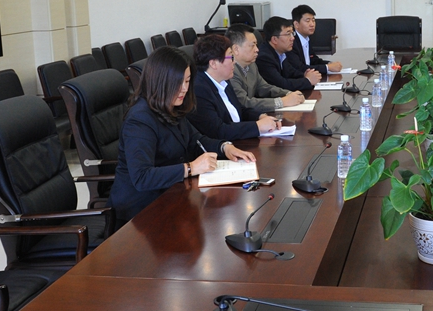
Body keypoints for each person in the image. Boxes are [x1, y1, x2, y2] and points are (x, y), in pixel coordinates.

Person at [108, 46, 255, 226]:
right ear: (162, 82)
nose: (185, 89)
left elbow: (195, 140)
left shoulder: (171, 106)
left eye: (187, 81)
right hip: (140, 212)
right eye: (179, 82)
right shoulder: (140, 120)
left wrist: (225, 147)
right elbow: (142, 177)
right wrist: (191, 168)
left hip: (171, 194)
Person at [187, 34, 282, 140]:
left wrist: (261, 117)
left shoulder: (224, 81)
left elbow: (239, 110)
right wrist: (257, 126)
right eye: (231, 57)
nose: (234, 62)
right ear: (213, 64)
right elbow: (218, 131)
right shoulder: (198, 90)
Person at [226, 24, 305, 111]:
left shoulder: (252, 65)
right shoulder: (229, 71)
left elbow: (264, 87)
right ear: (236, 49)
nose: (257, 49)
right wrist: (281, 102)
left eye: (256, 45)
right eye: (252, 45)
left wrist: (288, 93)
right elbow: (243, 102)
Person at [256, 16, 321, 90]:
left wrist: (304, 75)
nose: (292, 38)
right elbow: (281, 84)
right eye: (288, 34)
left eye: (292, 33)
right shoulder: (264, 58)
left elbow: (291, 72)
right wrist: (308, 81)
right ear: (274, 39)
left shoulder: (281, 53)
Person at [289, 4, 342, 75]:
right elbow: (300, 68)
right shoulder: (291, 42)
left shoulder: (306, 38)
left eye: (313, 20)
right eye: (308, 21)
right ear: (296, 24)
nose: (312, 24)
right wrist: (327, 67)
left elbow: (313, 60)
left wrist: (330, 63)